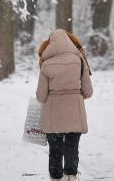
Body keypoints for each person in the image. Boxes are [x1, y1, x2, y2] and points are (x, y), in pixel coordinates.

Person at [35, 29, 94, 181]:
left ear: (50, 45)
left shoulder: (46, 64)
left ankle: (55, 178)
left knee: (55, 150)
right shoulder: (80, 60)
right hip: (75, 111)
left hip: (53, 115)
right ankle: (70, 176)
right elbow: (88, 91)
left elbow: (41, 96)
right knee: (72, 148)